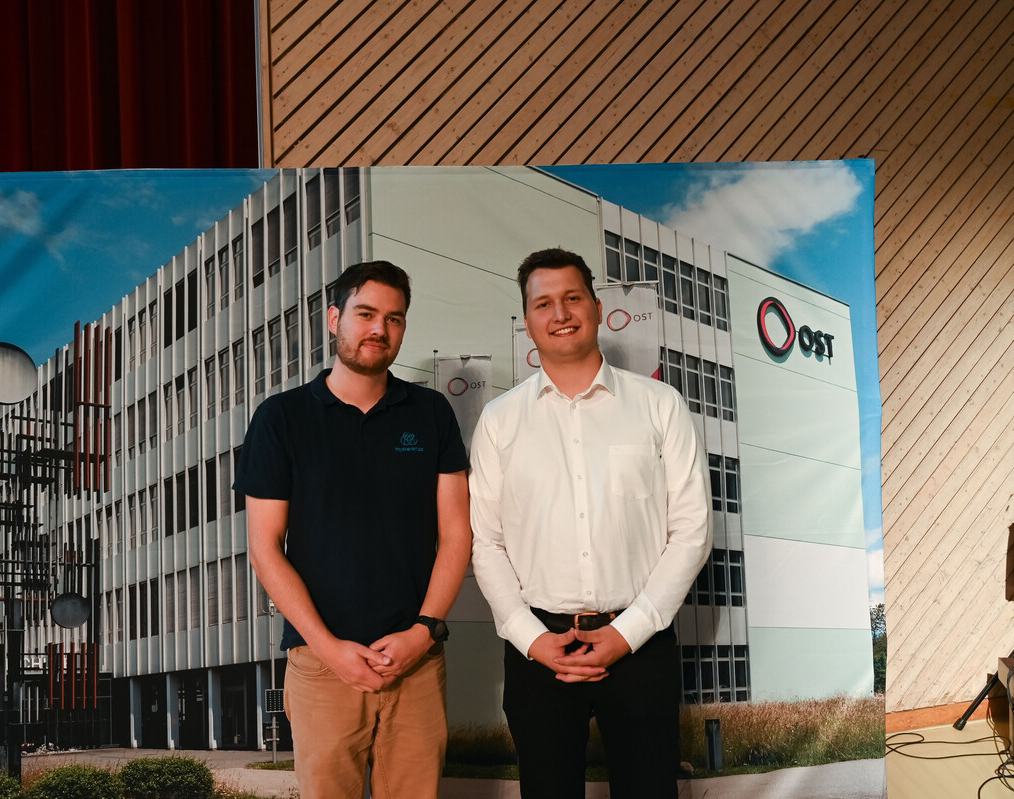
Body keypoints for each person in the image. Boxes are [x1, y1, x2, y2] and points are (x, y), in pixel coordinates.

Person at [469, 248, 712, 798]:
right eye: (544, 303)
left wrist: (627, 633)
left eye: (572, 298)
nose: (560, 313)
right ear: (527, 320)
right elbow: (487, 542)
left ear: (598, 309)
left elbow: (692, 531)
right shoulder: (499, 420)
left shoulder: (660, 404)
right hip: (539, 651)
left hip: (641, 644)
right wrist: (532, 638)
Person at [235, 260, 471, 799]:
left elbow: (457, 534)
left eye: (394, 318)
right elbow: (265, 547)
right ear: (334, 318)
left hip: (415, 661)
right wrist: (328, 648)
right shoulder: (281, 417)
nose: (379, 329)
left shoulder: (431, 412)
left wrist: (423, 632)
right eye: (365, 314)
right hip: (322, 664)